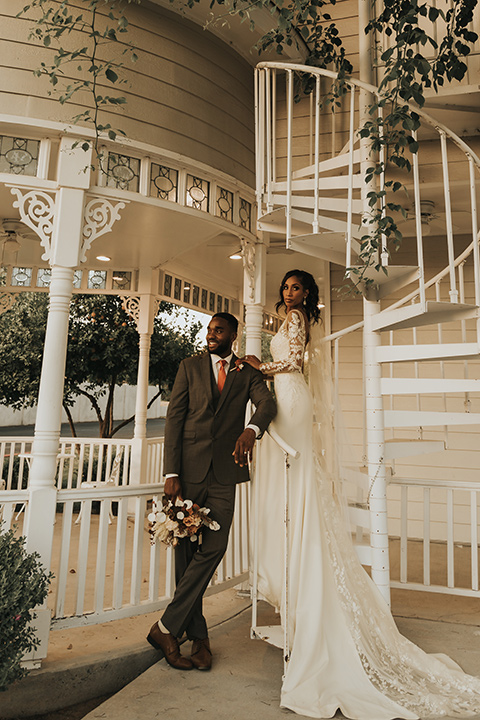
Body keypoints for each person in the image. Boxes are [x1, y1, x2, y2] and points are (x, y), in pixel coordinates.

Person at [237, 270, 480, 719]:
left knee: (297, 475)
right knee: (295, 478)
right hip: (290, 399)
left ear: (306, 293)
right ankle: (299, 573)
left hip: (291, 398)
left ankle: (306, 574)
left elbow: (292, 362)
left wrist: (258, 367)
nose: (289, 292)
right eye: (286, 286)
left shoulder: (295, 318)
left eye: (296, 287)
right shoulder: (291, 316)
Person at [147, 312, 276, 672]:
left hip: (223, 474)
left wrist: (251, 430)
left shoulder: (246, 373)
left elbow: (267, 404)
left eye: (219, 330)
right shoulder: (189, 366)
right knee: (186, 555)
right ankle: (199, 639)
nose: (211, 334)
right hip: (187, 473)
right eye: (209, 329)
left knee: (214, 548)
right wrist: (171, 472)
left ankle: (165, 628)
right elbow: (175, 418)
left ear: (234, 334)